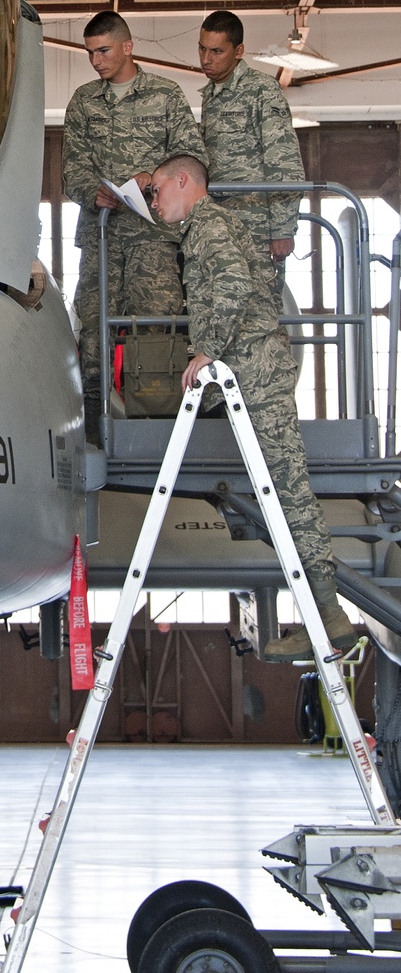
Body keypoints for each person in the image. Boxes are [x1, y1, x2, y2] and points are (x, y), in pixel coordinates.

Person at [148, 154, 357, 662]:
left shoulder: (210, 225)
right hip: (252, 372)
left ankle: (327, 616)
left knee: (288, 492)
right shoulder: (207, 226)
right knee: (281, 494)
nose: (154, 202)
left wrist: (208, 350)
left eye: (157, 190)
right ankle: (323, 615)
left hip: (256, 373)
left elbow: (234, 287)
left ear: (183, 181)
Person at [62, 11, 207, 444]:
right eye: (90, 53)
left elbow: (192, 156)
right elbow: (71, 170)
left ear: (128, 46)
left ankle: (159, 436)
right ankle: (92, 436)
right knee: (93, 334)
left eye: (103, 50)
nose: (96, 61)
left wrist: (152, 176)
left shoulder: (165, 95)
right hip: (103, 238)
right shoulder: (85, 101)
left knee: (157, 334)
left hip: (154, 241)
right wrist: (95, 192)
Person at [198, 10, 305, 316]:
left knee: (260, 315)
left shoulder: (262, 90)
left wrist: (282, 229)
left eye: (217, 51)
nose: (207, 59)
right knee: (226, 314)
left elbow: (283, 160)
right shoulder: (211, 95)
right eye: (202, 48)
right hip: (222, 225)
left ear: (238, 51)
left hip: (257, 229)